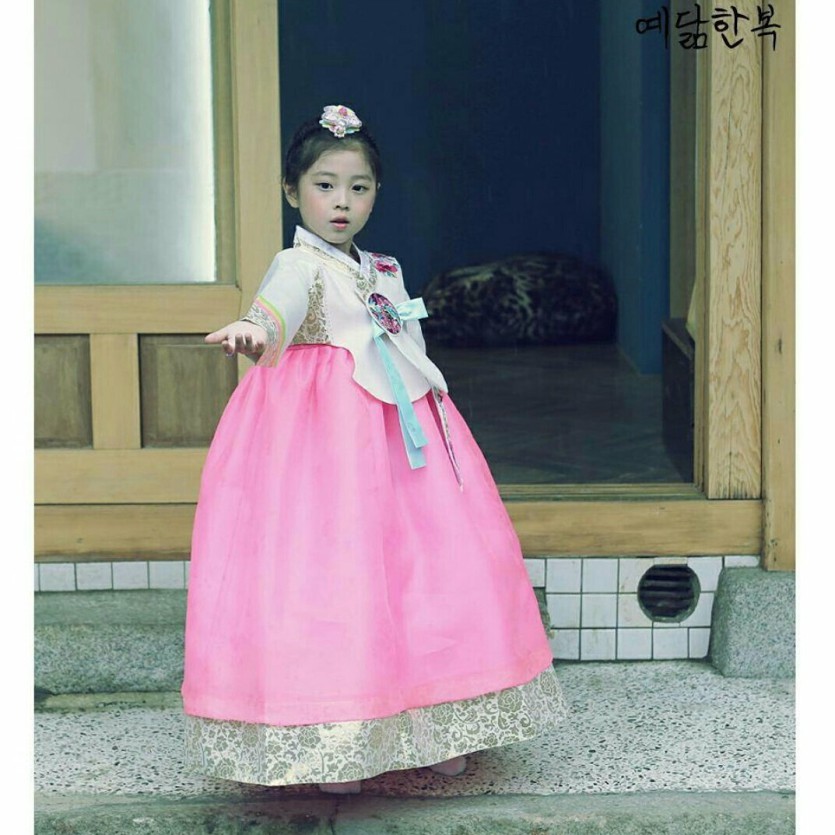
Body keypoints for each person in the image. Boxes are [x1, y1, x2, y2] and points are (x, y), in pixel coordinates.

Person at [181, 104, 569, 794]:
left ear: (375, 194)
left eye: (357, 187)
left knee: (426, 570)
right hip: (322, 448)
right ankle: (339, 735)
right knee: (338, 576)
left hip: (402, 438)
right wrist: (254, 331)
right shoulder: (298, 264)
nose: (341, 201)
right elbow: (276, 308)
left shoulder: (383, 267)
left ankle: (442, 723)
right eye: (324, 185)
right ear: (292, 190)